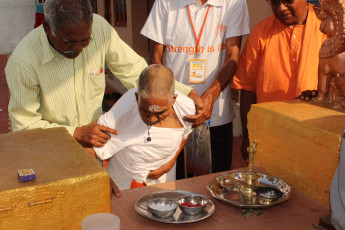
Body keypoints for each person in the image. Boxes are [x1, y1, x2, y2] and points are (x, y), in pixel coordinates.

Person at [5, 0, 202, 150]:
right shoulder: (23, 62)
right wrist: (76, 133)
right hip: (53, 151)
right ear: (47, 28)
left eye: (85, 41)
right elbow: (25, 126)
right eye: (69, 42)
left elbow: (135, 71)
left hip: (94, 146)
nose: (79, 49)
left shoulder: (100, 29)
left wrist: (186, 91)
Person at [141, 0, 250, 175]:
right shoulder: (165, 3)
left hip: (216, 117)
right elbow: (155, 58)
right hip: (173, 116)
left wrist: (210, 97)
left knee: (214, 187)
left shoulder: (234, 2)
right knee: (175, 187)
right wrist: (172, 97)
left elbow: (232, 58)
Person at [231, 0, 327, 161]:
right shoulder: (261, 32)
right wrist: (248, 135)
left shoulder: (327, 27)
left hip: (318, 136)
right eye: (274, 2)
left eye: (288, 0)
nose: (281, 8)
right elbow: (247, 88)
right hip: (271, 135)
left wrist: (321, 95)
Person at [93, 65, 195, 191]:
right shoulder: (126, 105)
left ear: (173, 100)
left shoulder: (186, 109)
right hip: (122, 182)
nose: (151, 119)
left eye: (160, 113)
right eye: (144, 111)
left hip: (163, 179)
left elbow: (185, 134)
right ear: (137, 98)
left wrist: (170, 162)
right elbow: (91, 141)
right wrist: (103, 178)